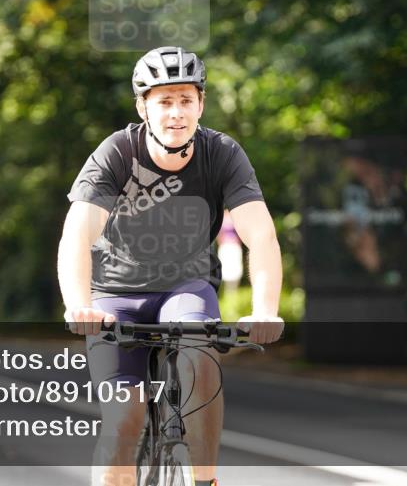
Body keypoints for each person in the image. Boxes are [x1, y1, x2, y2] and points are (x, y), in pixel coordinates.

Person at [58, 46, 284, 486]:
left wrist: (265, 308)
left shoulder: (222, 154)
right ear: (143, 107)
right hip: (115, 296)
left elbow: (261, 235)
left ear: (201, 104)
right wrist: (78, 305)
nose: (176, 113)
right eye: (164, 101)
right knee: (125, 417)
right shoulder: (116, 154)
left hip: (186, 287)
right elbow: (77, 236)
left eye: (186, 100)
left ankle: (204, 480)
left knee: (199, 359)